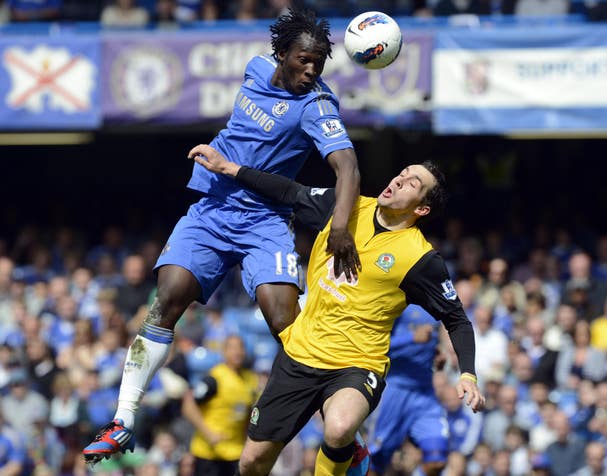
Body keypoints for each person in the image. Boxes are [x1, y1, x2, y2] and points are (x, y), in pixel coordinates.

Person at [83, 7, 361, 464]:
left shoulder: (316, 106)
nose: (310, 71)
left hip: (265, 221)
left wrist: (341, 228)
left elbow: (347, 166)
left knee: (286, 324)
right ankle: (123, 420)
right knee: (168, 297)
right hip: (211, 210)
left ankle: (344, 434)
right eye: (303, 60)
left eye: (318, 64)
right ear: (281, 54)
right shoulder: (253, 68)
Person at [188, 145, 485, 476]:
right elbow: (290, 191)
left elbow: (456, 319)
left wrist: (468, 373)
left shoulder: (420, 260)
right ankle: (351, 454)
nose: (400, 180)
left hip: (357, 364)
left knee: (340, 427)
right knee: (251, 463)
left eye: (413, 182)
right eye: (403, 172)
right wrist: (229, 168)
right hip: (300, 355)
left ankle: (346, 448)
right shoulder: (345, 207)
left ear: (423, 209)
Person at [366, 304, 451, 476]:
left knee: (437, 459)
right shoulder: (395, 300)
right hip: (394, 390)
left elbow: (429, 339)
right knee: (375, 461)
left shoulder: (434, 300)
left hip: (425, 393)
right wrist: (411, 338)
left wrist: (436, 354)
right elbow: (373, 346)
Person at [181, 335, 259, 475]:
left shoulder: (250, 379)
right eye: (232, 348)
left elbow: (250, 413)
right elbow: (188, 405)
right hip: (209, 453)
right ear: (224, 352)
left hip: (236, 451)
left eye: (240, 347)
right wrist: (209, 434)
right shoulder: (215, 378)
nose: (237, 352)